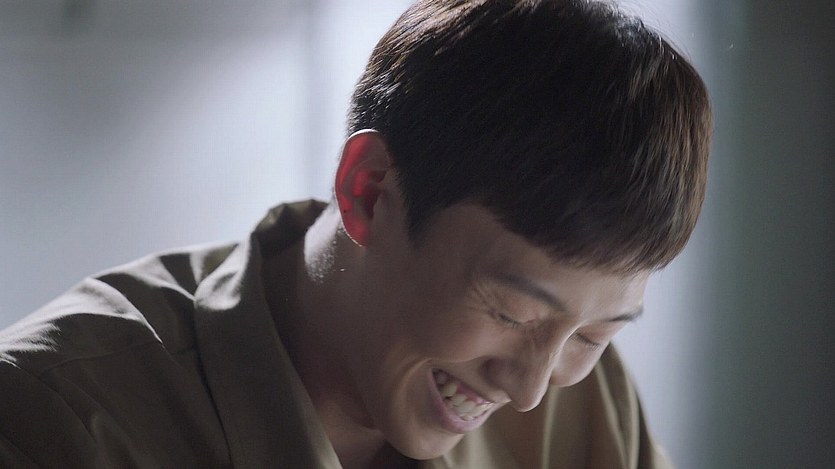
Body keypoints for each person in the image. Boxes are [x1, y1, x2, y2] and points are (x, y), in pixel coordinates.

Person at [0, 0, 712, 467]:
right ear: (367, 192)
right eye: (511, 312)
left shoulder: (583, 398)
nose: (531, 389)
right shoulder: (57, 421)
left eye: (595, 334)